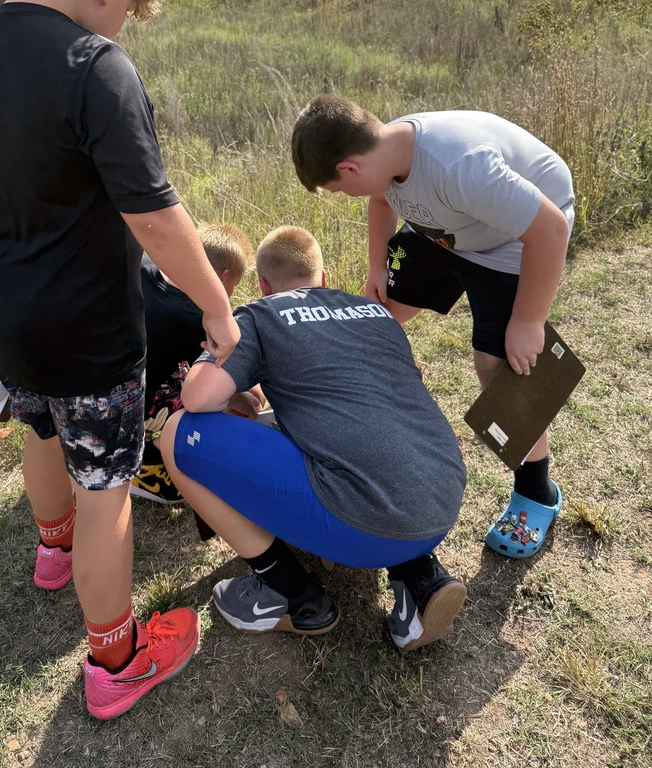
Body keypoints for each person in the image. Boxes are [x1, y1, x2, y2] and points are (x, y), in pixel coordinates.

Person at [0, 0, 240, 721]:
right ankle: (116, 659)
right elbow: (156, 220)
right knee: (108, 485)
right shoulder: (97, 66)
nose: (121, 27)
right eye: (126, 7)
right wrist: (216, 306)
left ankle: (52, 555)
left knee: (40, 428)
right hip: (88, 324)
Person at [157, 226, 468, 652]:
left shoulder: (260, 315)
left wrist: (222, 362)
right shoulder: (375, 311)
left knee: (177, 434)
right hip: (443, 497)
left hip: (365, 521)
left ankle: (288, 591)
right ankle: (418, 577)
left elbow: (196, 397)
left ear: (264, 285)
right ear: (323, 277)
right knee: (356, 433)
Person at [291, 94, 575, 559]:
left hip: (514, 243)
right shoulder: (385, 152)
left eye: (340, 189)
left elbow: (549, 230)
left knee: (500, 367)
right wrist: (377, 267)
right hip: (446, 232)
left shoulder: (461, 167)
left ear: (348, 169)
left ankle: (536, 491)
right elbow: (382, 200)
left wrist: (528, 322)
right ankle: (350, 410)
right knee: (375, 315)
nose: (346, 196)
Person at [132, 223, 254, 505]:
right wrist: (239, 398)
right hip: (129, 403)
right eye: (233, 287)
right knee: (204, 397)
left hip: (96, 379)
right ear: (223, 278)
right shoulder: (195, 317)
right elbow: (212, 383)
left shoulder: (148, 262)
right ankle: (143, 462)